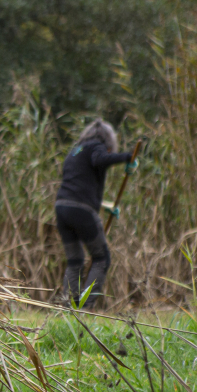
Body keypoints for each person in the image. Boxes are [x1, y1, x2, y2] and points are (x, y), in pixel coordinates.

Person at [55, 119, 136, 309]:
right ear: (108, 139)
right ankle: (84, 307)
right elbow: (100, 160)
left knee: (75, 260)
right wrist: (127, 157)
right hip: (80, 210)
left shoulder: (75, 151)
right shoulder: (96, 147)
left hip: (62, 208)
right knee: (101, 258)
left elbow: (78, 188)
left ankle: (68, 309)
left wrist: (105, 206)